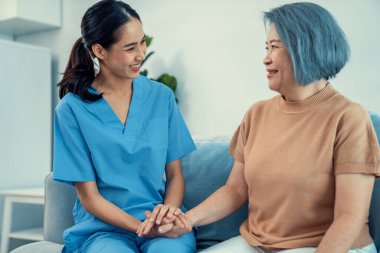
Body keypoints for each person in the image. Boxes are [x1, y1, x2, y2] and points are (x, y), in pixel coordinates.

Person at [146, 2, 380, 253]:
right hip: (258, 243)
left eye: (275, 47)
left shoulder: (349, 118)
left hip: (327, 245)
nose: (266, 58)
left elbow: (350, 218)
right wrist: (186, 221)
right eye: (267, 47)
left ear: (305, 47)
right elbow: (235, 190)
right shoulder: (257, 114)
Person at [53, 0, 196, 252]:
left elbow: (175, 175)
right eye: (130, 47)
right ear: (100, 50)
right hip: (102, 229)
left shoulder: (161, 97)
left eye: (142, 42)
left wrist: (167, 215)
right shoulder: (71, 110)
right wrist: (140, 228)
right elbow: (90, 198)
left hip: (161, 223)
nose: (141, 54)